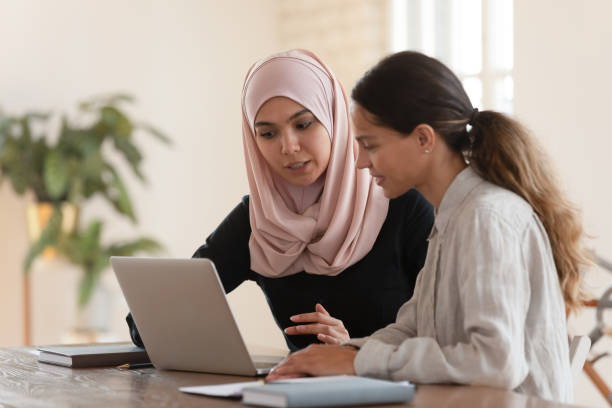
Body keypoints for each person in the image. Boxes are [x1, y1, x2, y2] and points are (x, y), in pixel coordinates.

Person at [266, 51, 590, 403]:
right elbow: (412, 328)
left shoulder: (485, 217)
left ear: (424, 139)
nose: (360, 162)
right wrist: (337, 355)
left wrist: (359, 361)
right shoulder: (452, 216)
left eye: (370, 145)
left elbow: (496, 362)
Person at [126, 49, 434, 352]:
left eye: (303, 124)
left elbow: (445, 338)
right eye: (268, 134)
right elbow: (146, 324)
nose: (288, 146)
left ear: (334, 120)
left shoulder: (403, 206)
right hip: (295, 396)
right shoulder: (261, 219)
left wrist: (356, 349)